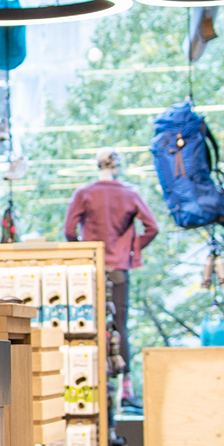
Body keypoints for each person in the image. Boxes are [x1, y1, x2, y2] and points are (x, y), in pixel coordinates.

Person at [62, 148, 159, 379]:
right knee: (119, 324)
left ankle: (94, 379)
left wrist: (83, 252)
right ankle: (124, 383)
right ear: (116, 164)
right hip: (118, 268)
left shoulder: (84, 194)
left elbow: (69, 231)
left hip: (91, 270)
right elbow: (152, 228)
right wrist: (131, 248)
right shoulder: (129, 194)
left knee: (88, 323)